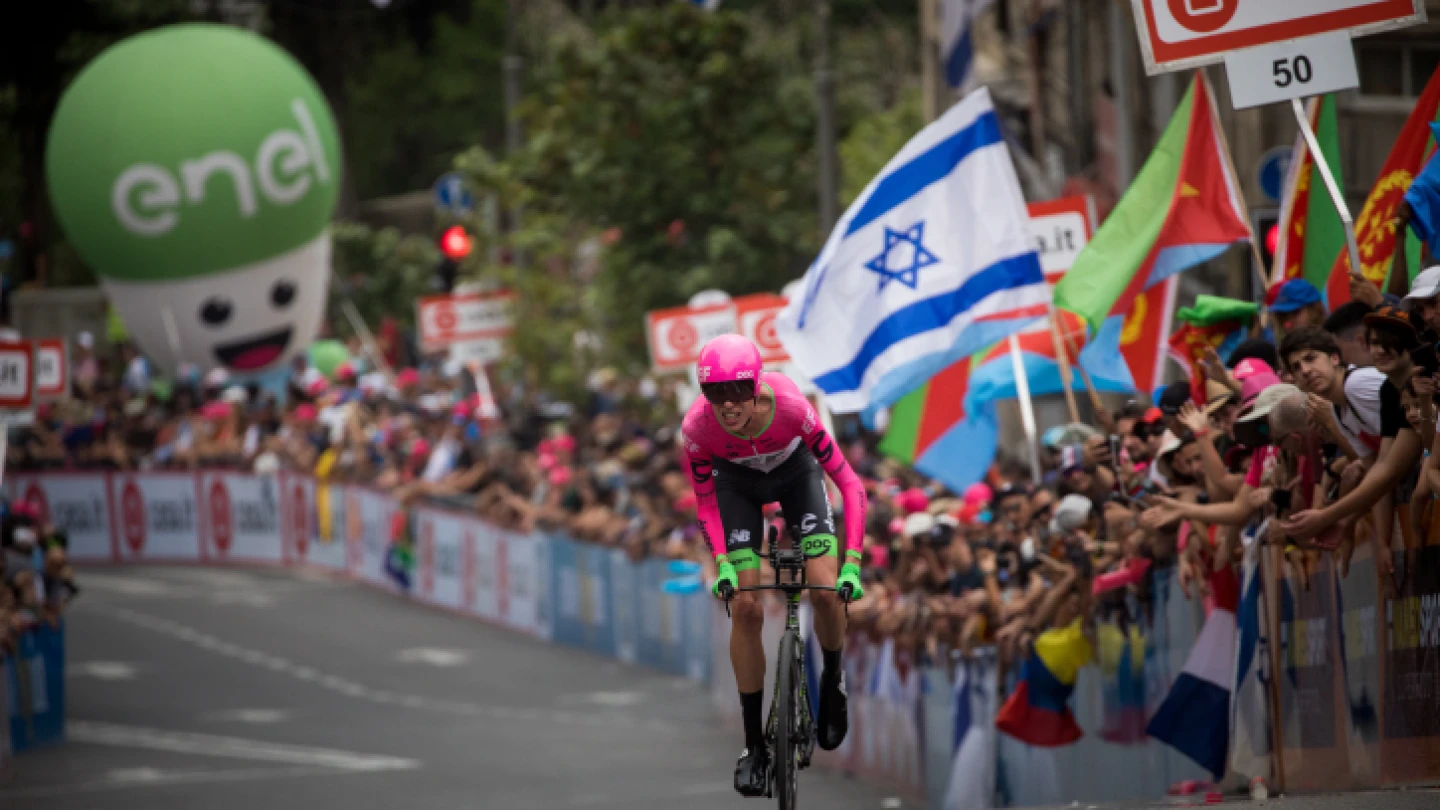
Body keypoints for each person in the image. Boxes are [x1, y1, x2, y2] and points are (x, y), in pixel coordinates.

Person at [681, 334, 868, 796]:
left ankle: (833, 681)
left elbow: (849, 482)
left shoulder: (791, 406)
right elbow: (705, 504)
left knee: (824, 588)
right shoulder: (697, 428)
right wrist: (722, 562)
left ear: (757, 384)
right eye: (715, 393)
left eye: (738, 390)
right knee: (744, 607)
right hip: (736, 485)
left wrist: (854, 563)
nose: (728, 404)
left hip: (796, 474)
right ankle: (753, 746)